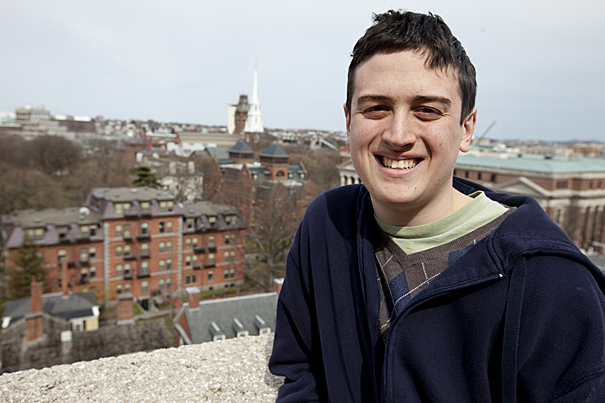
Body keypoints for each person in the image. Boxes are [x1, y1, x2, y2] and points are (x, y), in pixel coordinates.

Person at [269, 9, 605, 403]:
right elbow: (301, 369)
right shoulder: (327, 226)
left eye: (427, 110)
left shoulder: (552, 280)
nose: (398, 135)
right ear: (348, 122)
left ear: (466, 129)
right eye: (376, 108)